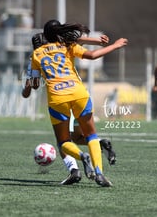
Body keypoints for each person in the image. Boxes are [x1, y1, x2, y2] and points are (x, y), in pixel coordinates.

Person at [31, 20, 128, 187]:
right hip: (79, 94)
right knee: (91, 136)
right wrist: (115, 46)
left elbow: (33, 84)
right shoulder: (67, 46)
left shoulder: (37, 54)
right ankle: (99, 174)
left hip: (57, 98)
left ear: (45, 36)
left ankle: (82, 156)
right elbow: (92, 56)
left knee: (64, 142)